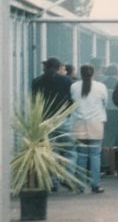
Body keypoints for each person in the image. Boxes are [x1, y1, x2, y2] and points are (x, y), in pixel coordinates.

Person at [32, 57, 75, 191]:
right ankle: (67, 176)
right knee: (70, 150)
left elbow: (34, 101)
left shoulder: (36, 81)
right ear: (58, 67)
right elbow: (71, 99)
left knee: (49, 151)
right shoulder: (67, 80)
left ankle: (52, 181)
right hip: (63, 119)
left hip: (45, 121)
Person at [71, 64, 108, 194]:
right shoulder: (101, 87)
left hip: (79, 123)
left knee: (81, 156)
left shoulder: (74, 87)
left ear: (80, 74)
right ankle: (95, 185)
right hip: (96, 122)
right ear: (93, 73)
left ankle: (80, 186)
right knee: (95, 155)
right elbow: (105, 103)